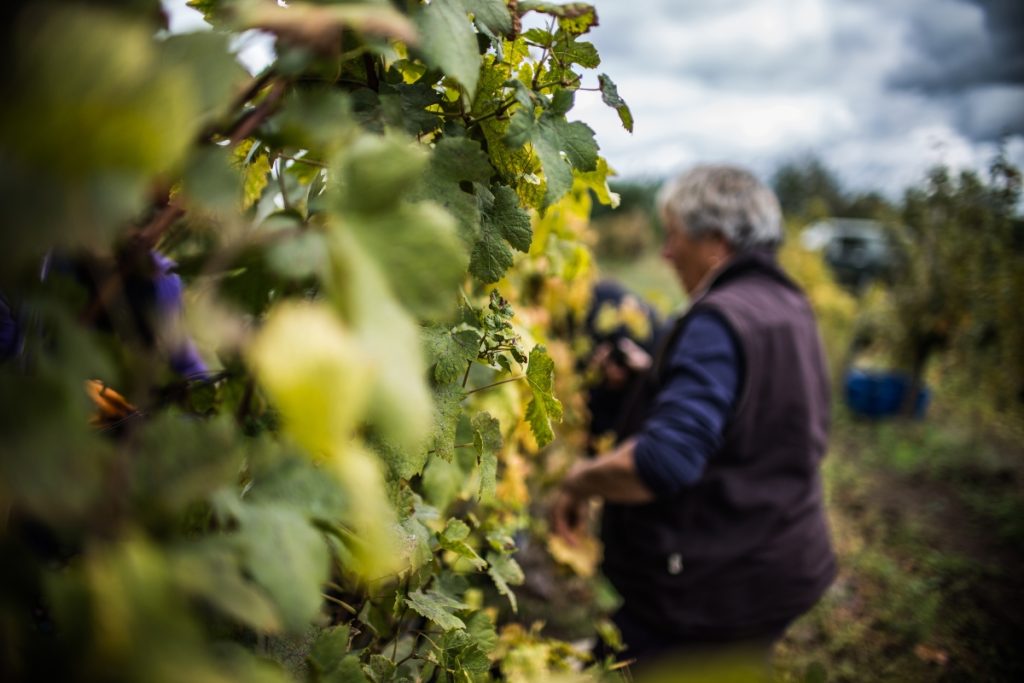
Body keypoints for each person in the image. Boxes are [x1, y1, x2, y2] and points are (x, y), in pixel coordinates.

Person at [551, 165, 836, 673]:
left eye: (673, 236)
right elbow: (752, 411)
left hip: (711, 588)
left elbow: (662, 462)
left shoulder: (718, 319)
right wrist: (649, 379)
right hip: (779, 561)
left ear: (716, 243)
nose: (665, 252)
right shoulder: (787, 303)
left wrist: (577, 482)